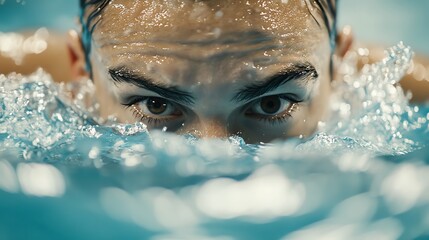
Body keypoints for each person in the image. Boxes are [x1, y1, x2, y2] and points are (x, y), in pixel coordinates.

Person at [2, 0, 429, 143]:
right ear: (80, 67)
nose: (213, 160)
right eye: (156, 104)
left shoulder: (413, 88)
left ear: (340, 63)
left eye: (270, 102)